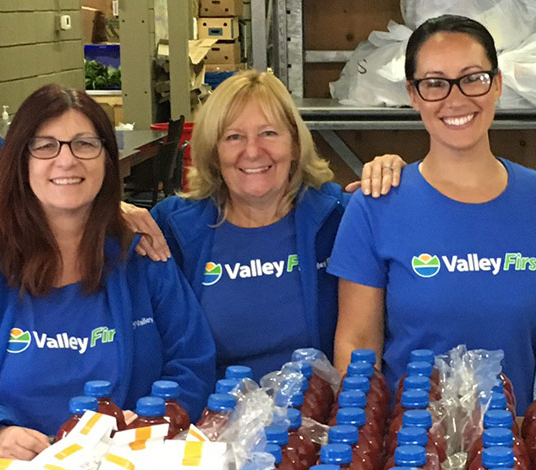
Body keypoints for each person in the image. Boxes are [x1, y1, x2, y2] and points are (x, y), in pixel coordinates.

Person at [0, 84, 218, 459]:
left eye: (85, 144)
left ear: (107, 158)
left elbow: (193, 363)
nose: (67, 160)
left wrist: (153, 421)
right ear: (19, 162)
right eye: (45, 145)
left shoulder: (142, 254)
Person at [330, 14, 536, 409]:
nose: (455, 99)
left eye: (473, 77)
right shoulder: (375, 204)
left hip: (517, 449)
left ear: (498, 84)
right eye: (435, 83)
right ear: (413, 93)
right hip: (411, 453)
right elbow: (356, 348)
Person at [149, 71, 405, 379]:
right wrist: (118, 212)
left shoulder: (340, 219)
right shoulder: (172, 229)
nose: (253, 151)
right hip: (214, 419)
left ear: (295, 145)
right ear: (214, 152)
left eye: (269, 133)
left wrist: (397, 182)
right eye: (234, 137)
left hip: (319, 419)